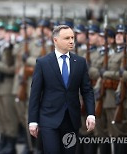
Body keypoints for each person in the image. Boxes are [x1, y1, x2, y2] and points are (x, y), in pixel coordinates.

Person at [28, 25, 95, 154]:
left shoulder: (80, 62)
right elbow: (35, 94)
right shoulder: (43, 63)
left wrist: (91, 114)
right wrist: (32, 121)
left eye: (72, 38)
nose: (71, 41)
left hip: (71, 120)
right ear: (55, 40)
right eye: (66, 38)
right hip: (49, 119)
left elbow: (87, 90)